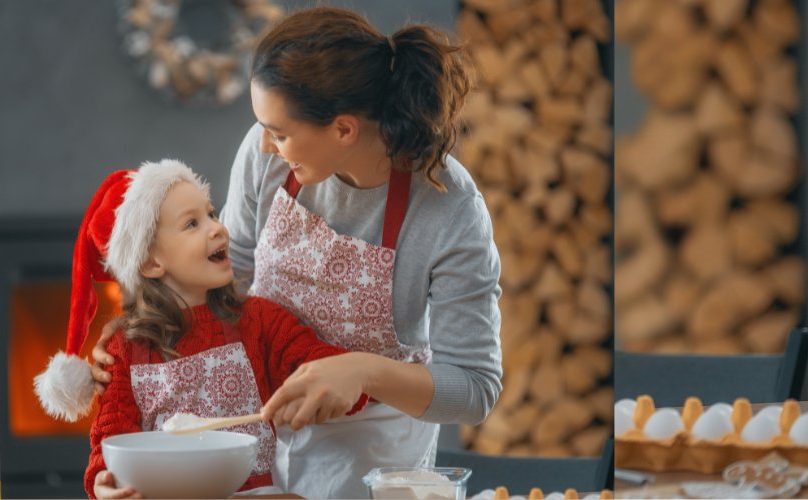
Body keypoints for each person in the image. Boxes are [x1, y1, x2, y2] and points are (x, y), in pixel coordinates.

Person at [90, 7, 503, 499]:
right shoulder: (267, 158)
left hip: (370, 462)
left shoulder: (449, 208)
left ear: (344, 130)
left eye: (280, 132)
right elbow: (227, 282)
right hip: (252, 453)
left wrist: (363, 369)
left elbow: (475, 387)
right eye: (264, 126)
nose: (264, 144)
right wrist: (141, 334)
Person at [33, 159, 370, 499]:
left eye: (211, 213)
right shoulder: (124, 349)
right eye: (192, 223)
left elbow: (326, 369)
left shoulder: (259, 321)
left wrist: (342, 384)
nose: (217, 228)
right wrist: (106, 482)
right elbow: (111, 438)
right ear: (151, 262)